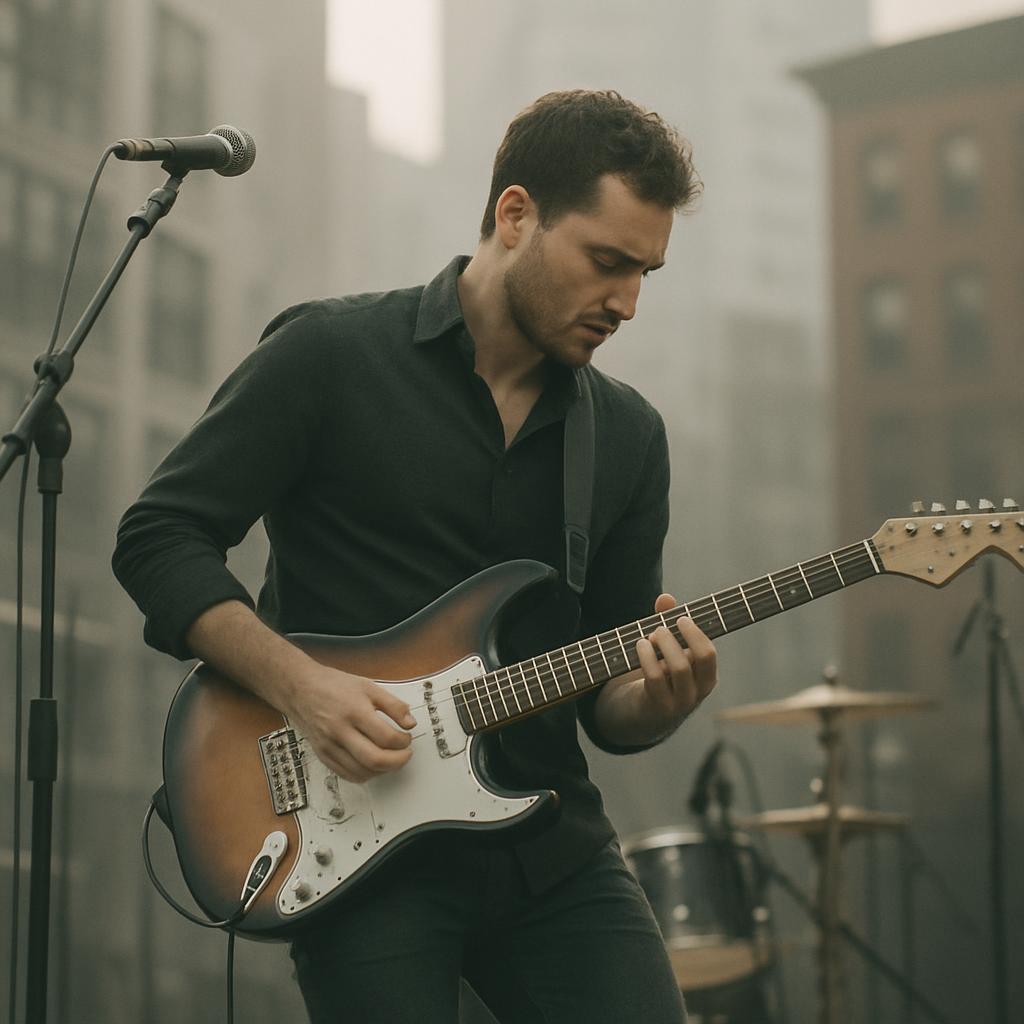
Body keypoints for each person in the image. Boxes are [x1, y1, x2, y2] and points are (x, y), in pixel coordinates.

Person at [113, 89, 717, 1023]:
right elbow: (158, 536)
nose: (628, 302)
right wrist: (300, 687)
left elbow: (610, 698)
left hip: (551, 850)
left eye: (646, 273)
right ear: (516, 215)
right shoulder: (330, 355)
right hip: (353, 848)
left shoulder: (629, 437)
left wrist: (656, 700)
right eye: (608, 263)